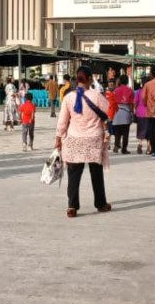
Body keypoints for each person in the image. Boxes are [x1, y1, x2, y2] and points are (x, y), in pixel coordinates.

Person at [55, 66, 112, 218]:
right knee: (96, 174)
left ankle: (72, 206)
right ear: (89, 78)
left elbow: (62, 122)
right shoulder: (97, 96)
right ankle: (101, 204)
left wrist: (58, 139)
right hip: (93, 139)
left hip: (74, 139)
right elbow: (109, 112)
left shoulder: (68, 97)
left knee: (73, 174)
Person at [111, 74, 134, 154]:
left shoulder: (115, 90)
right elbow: (131, 104)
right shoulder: (130, 90)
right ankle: (124, 149)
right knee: (125, 132)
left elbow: (112, 102)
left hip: (116, 111)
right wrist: (132, 113)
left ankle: (116, 146)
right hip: (126, 112)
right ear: (127, 81)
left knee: (117, 132)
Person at [133, 78, 149, 154]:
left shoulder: (138, 92)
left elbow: (135, 103)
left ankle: (140, 144)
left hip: (140, 113)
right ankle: (149, 146)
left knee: (140, 129)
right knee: (149, 130)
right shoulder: (150, 92)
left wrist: (135, 110)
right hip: (149, 113)